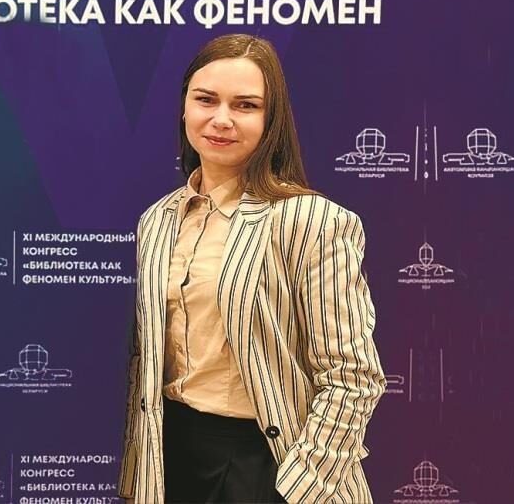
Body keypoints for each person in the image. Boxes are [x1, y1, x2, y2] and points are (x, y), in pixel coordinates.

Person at [118, 34, 385, 504]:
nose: (221, 119)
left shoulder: (312, 220)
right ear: (184, 108)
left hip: (269, 464)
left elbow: (353, 376)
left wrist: (299, 487)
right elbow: (146, 362)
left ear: (270, 119)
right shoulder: (157, 220)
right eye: (206, 100)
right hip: (172, 460)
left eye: (245, 105)